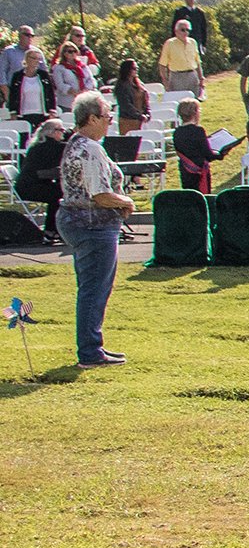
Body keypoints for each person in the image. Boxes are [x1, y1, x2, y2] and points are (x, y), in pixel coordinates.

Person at [58, 93, 134, 368]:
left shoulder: (74, 143)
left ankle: (93, 345)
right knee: (94, 289)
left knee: (91, 287)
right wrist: (125, 201)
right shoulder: (90, 148)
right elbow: (100, 194)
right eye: (106, 117)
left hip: (78, 222)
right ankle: (90, 351)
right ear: (91, 118)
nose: (110, 123)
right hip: (93, 224)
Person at [14, 119, 65, 236]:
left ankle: (53, 228)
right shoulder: (51, 147)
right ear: (52, 132)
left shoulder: (38, 145)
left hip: (27, 185)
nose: (63, 133)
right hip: (29, 188)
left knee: (59, 191)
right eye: (61, 130)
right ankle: (51, 229)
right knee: (59, 194)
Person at [169, 99, 230, 195]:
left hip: (185, 168)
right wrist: (221, 154)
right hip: (199, 170)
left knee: (190, 196)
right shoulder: (198, 131)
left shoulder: (177, 132)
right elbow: (208, 154)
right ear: (195, 113)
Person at [158, 18, 205, 94]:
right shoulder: (169, 43)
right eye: (182, 30)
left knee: (194, 102)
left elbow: (198, 62)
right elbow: (162, 64)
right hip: (177, 77)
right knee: (179, 101)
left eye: (188, 30)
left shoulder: (193, 42)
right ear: (176, 31)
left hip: (192, 76)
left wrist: (201, 78)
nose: (185, 32)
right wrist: (165, 82)